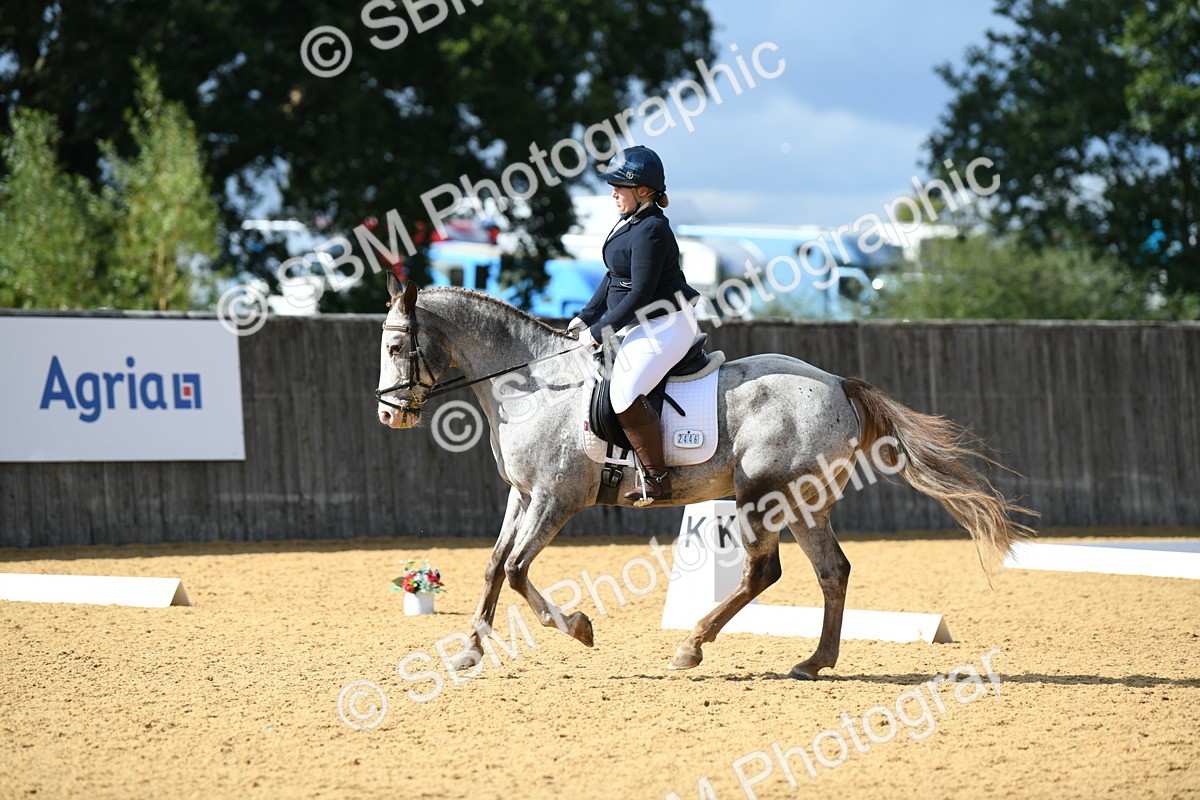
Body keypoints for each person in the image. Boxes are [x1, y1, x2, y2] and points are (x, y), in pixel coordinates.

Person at [567, 145, 700, 505]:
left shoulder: (652, 229)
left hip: (667, 323)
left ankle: (657, 478)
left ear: (643, 191)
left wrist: (600, 331)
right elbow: (613, 277)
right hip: (642, 323)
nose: (612, 193)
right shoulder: (631, 222)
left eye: (619, 187)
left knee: (624, 391)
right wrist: (586, 316)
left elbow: (640, 293)